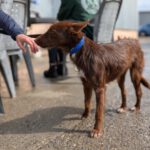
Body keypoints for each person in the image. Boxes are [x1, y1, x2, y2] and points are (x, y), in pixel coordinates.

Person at [44, 0, 100, 78]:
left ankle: (54, 67)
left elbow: (61, 16)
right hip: (97, 31)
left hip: (81, 33)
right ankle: (60, 67)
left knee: (54, 31)